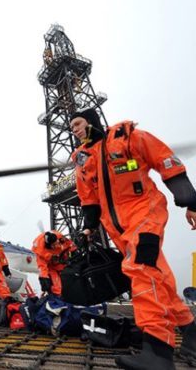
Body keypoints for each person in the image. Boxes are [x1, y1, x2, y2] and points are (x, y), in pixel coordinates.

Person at [70, 108, 196, 370]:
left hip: (145, 213)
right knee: (157, 277)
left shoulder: (127, 138)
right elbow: (88, 198)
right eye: (72, 127)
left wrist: (189, 201)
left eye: (78, 123)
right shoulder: (83, 162)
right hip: (118, 228)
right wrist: (88, 228)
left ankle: (158, 350)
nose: (74, 130)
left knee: (138, 266)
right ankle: (192, 333)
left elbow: (165, 159)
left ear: (92, 121)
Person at [32, 230, 76, 296]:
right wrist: (44, 278)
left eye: (56, 243)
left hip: (64, 263)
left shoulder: (60, 237)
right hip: (51, 267)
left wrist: (73, 251)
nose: (56, 246)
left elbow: (70, 244)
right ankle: (56, 300)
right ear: (49, 246)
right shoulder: (40, 251)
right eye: (54, 245)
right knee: (56, 288)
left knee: (72, 279)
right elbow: (42, 266)